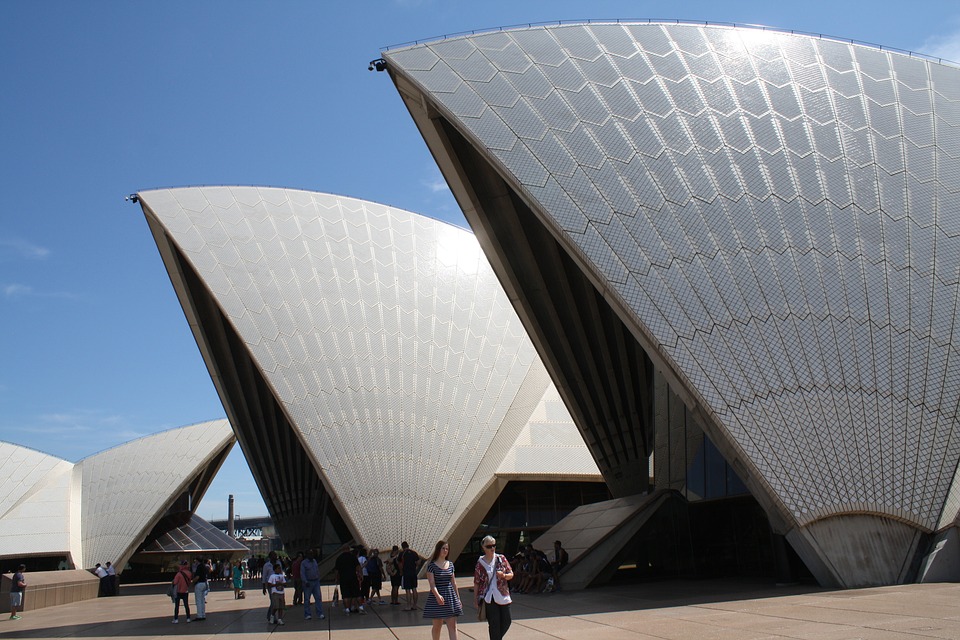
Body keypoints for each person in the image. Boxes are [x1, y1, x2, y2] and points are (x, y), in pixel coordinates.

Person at [474, 535, 514, 640]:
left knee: (507, 620)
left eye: (494, 545)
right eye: (489, 546)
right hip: (488, 597)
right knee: (494, 623)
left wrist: (504, 576)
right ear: (483, 547)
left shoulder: (501, 559)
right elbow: (477, 582)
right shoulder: (480, 563)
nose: (492, 548)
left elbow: (511, 574)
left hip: (502, 594)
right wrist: (476, 599)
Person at [423, 540, 462, 640]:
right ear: (438, 550)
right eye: (443, 548)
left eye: (447, 549)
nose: (445, 550)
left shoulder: (450, 565)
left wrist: (458, 598)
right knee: (437, 626)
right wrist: (437, 596)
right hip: (437, 598)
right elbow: (432, 584)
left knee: (453, 626)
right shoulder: (432, 566)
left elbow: (454, 583)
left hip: (450, 596)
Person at [334, 545, 362, 615]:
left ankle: (347, 609)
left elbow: (336, 570)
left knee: (346, 595)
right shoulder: (353, 557)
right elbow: (358, 567)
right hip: (353, 577)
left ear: (343, 549)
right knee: (357, 593)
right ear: (349, 549)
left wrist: (337, 578)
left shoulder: (339, 558)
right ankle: (361, 608)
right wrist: (360, 575)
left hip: (343, 579)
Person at [300, 548, 325, 620]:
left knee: (318, 598)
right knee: (307, 599)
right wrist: (305, 581)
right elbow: (302, 573)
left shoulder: (314, 561)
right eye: (310, 554)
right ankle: (307, 614)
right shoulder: (304, 563)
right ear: (307, 555)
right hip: (308, 582)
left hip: (316, 581)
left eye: (312, 554)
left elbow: (317, 570)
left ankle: (320, 613)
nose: (312, 555)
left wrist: (318, 578)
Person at [400, 541, 421, 611]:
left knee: (408, 590)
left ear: (402, 547)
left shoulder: (402, 554)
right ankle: (415, 605)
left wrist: (401, 571)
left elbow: (399, 563)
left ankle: (408, 605)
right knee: (414, 588)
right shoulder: (413, 553)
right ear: (408, 546)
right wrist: (415, 568)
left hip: (406, 573)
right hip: (413, 573)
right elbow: (418, 562)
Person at [261, 552, 279, 623]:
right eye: (273, 555)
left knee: (276, 602)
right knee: (273, 601)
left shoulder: (278, 563)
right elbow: (264, 576)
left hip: (278, 585)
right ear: (270, 557)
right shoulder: (266, 565)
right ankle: (273, 618)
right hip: (270, 585)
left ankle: (269, 615)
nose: (275, 557)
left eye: (275, 555)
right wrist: (264, 587)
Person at [193, 556, 210, 620]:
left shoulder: (199, 567)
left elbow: (197, 577)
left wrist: (192, 582)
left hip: (199, 583)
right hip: (205, 583)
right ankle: (203, 614)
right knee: (202, 600)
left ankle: (199, 615)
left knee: (198, 600)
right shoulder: (205, 566)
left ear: (197, 561)